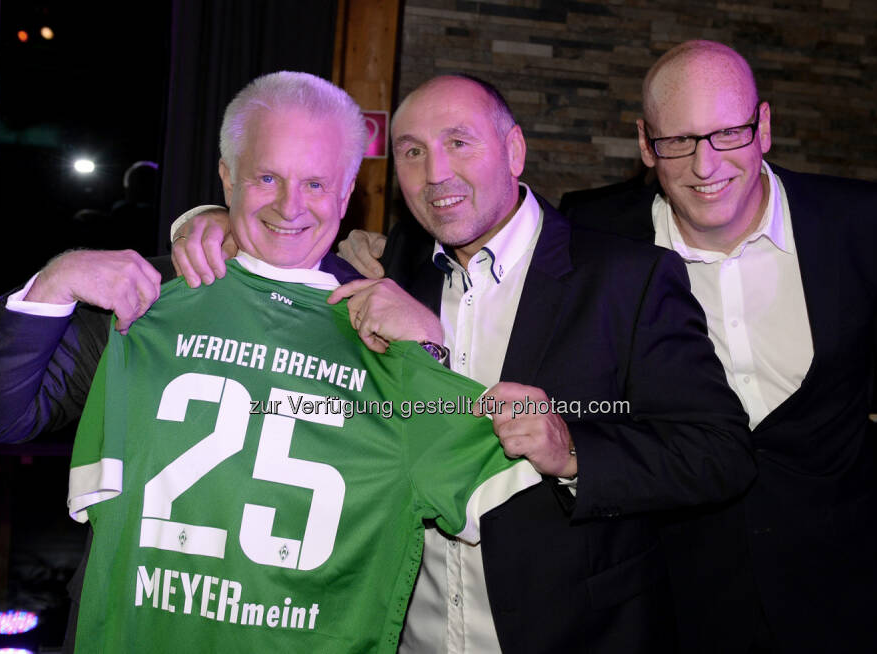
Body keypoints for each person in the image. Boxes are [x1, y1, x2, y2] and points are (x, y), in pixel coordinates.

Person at [0, 72, 543, 653]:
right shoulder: (146, 301)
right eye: (267, 177)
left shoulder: (385, 321)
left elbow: (500, 499)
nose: (290, 206)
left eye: (316, 184)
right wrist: (51, 285)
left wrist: (429, 353)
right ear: (227, 178)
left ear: (346, 193)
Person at [171, 74, 756, 652]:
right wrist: (214, 223)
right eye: (412, 152)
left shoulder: (626, 278)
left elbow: (719, 453)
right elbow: (286, 243)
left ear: (514, 150)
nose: (437, 174)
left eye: (459, 143)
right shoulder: (390, 265)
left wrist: (573, 452)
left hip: (574, 632)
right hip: (410, 633)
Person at [558, 40, 877, 652]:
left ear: (764, 126)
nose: (706, 164)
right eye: (679, 141)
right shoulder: (591, 231)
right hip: (663, 599)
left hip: (843, 598)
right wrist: (377, 258)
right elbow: (480, 247)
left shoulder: (858, 222)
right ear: (645, 144)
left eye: (728, 134)